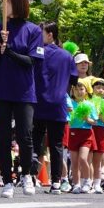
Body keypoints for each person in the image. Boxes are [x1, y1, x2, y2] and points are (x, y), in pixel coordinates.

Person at [0, 0, 44, 199]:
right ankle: (7, 180)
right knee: (2, 136)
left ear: (16, 3)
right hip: (0, 89)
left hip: (24, 91)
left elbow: (31, 62)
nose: (2, 5)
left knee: (25, 135)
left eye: (5, 1)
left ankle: (27, 174)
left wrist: (9, 49)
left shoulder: (34, 30)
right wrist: (0, 47)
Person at [31, 22, 77, 195]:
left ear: (50, 34)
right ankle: (56, 182)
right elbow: (74, 80)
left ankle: (31, 177)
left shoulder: (37, 52)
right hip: (58, 104)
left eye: (41, 33)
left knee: (36, 141)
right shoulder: (66, 56)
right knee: (57, 145)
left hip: (38, 103)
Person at [67, 79, 97, 194]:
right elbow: (68, 117)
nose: (79, 92)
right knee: (74, 162)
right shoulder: (70, 103)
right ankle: (76, 184)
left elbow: (94, 121)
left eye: (81, 89)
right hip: (73, 133)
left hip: (86, 133)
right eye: (76, 89)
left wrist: (87, 119)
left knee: (83, 159)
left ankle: (87, 181)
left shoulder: (89, 104)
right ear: (72, 90)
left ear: (86, 91)